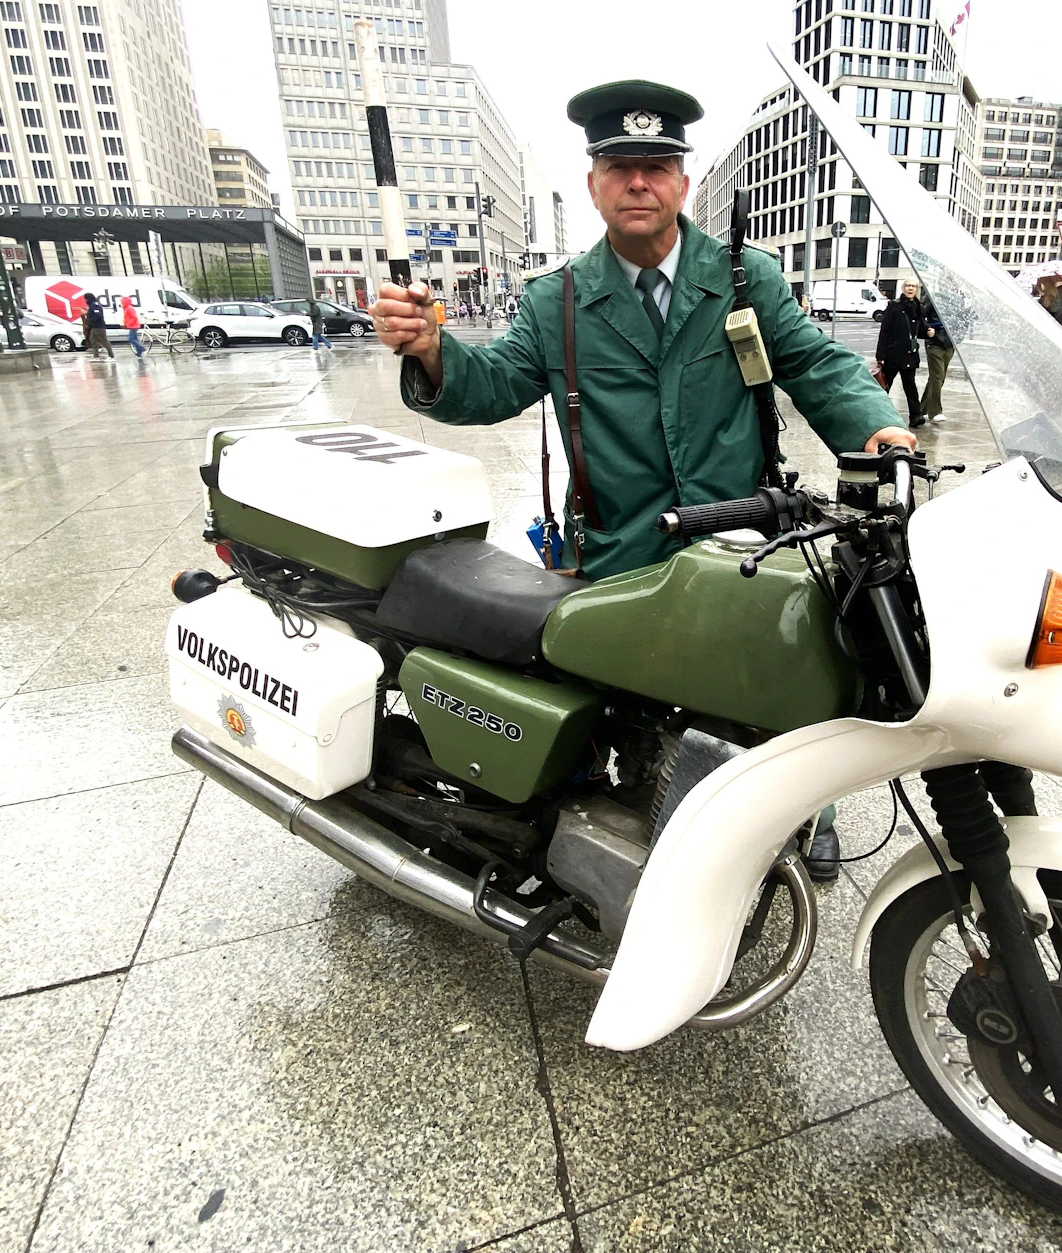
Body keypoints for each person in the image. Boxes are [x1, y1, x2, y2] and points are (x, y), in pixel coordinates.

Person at [371, 79, 911, 881]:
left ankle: (812, 806)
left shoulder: (739, 279)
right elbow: (489, 383)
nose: (638, 182)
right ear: (592, 182)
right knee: (630, 722)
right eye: (619, 165)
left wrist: (880, 429)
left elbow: (815, 363)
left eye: (656, 165)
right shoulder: (557, 300)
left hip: (741, 540)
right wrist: (428, 352)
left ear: (683, 181)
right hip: (623, 552)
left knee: (797, 681)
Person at [876, 280, 925, 427]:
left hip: (910, 353)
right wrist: (880, 355)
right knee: (885, 386)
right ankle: (877, 414)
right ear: (903, 288)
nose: (911, 288)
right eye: (908, 286)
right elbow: (884, 330)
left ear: (917, 289)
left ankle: (916, 416)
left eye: (913, 286)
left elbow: (919, 329)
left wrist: (928, 331)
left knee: (910, 386)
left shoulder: (918, 307)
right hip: (893, 353)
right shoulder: (894, 306)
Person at [917, 286, 954, 424]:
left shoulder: (956, 299)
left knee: (938, 377)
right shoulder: (933, 297)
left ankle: (923, 409)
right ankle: (935, 411)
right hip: (935, 342)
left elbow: (959, 319)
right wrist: (928, 329)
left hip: (949, 343)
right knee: (937, 376)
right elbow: (921, 315)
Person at [82, 292, 112, 358]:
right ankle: (96, 356)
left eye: (85, 299)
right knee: (93, 340)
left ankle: (111, 355)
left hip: (98, 326)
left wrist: (88, 317)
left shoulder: (95, 305)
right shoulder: (92, 305)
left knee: (104, 341)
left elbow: (98, 316)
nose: (85, 301)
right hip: (93, 327)